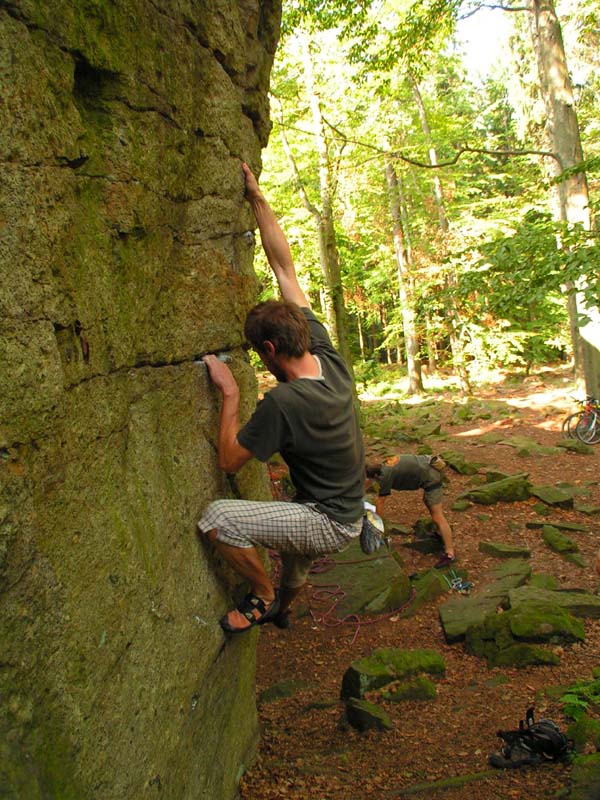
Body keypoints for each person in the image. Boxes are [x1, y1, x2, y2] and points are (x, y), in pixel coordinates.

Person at [197, 162, 365, 634]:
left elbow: (230, 460)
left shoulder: (285, 404)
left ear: (269, 350)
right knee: (299, 556)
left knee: (217, 518)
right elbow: (284, 265)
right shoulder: (326, 353)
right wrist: (257, 197)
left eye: (257, 355)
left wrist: (229, 393)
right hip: (345, 505)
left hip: (328, 519)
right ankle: (286, 609)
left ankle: (265, 596)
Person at [365, 455, 455, 569]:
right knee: (429, 504)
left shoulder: (384, 476)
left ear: (375, 476)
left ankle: (450, 553)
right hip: (427, 465)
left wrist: (377, 527)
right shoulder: (383, 466)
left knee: (437, 516)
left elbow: (380, 503)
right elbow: (368, 483)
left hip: (432, 475)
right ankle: (440, 534)